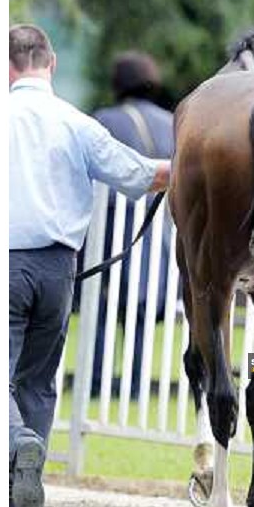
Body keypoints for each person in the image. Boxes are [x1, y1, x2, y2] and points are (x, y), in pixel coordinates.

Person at [9, 25, 170, 507]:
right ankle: (15, 495)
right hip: (59, 269)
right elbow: (144, 175)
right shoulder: (75, 123)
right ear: (51, 63)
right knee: (36, 383)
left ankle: (18, 443)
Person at [88, 52, 174, 398]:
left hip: (113, 226)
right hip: (159, 229)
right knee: (140, 311)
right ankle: (136, 388)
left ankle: (95, 383)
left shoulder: (105, 119)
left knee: (102, 308)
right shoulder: (172, 122)